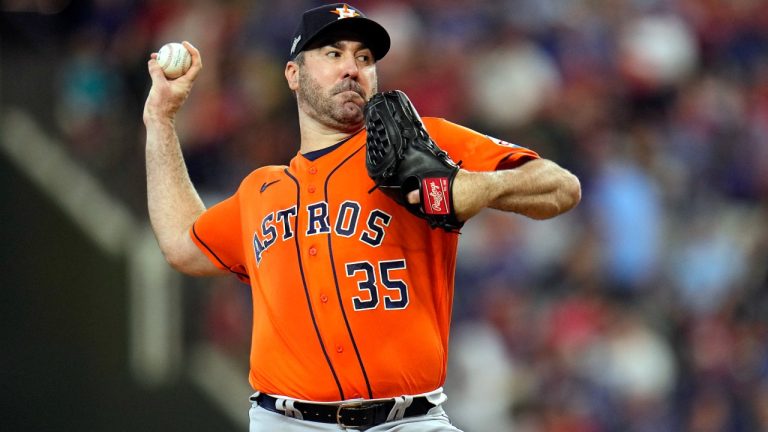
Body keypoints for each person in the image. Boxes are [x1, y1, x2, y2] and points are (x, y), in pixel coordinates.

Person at [142, 3, 580, 431]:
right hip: (284, 421)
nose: (352, 67)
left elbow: (561, 187)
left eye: (364, 57)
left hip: (409, 421)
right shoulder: (260, 190)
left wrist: (475, 186)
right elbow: (182, 244)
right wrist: (160, 118)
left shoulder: (422, 146)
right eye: (333, 54)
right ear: (293, 74)